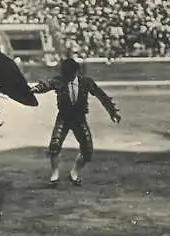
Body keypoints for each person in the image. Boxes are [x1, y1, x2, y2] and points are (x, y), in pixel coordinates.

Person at [30, 57, 121, 186]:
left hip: (79, 118)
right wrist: (35, 89)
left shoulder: (86, 82)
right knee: (55, 145)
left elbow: (102, 96)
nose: (66, 76)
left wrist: (113, 112)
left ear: (75, 71)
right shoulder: (59, 80)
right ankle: (54, 174)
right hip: (64, 116)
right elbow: (46, 85)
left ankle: (74, 173)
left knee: (87, 149)